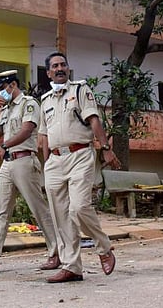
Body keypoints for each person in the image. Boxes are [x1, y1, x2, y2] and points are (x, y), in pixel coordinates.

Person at [0, 71, 60, 274]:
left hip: (25, 160)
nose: (1, 93)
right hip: (8, 163)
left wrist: (3, 147)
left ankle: (57, 252)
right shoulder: (5, 109)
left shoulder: (29, 103)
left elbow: (26, 130)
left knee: (38, 209)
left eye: (2, 89)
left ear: (12, 85)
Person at [37, 52, 120, 283]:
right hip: (54, 160)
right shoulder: (45, 100)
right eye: (55, 66)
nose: (60, 68)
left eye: (63, 64)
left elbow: (94, 120)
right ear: (48, 72)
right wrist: (46, 163)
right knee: (60, 215)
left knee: (79, 207)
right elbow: (43, 136)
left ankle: (104, 248)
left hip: (80, 154)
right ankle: (71, 266)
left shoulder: (80, 90)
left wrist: (105, 147)